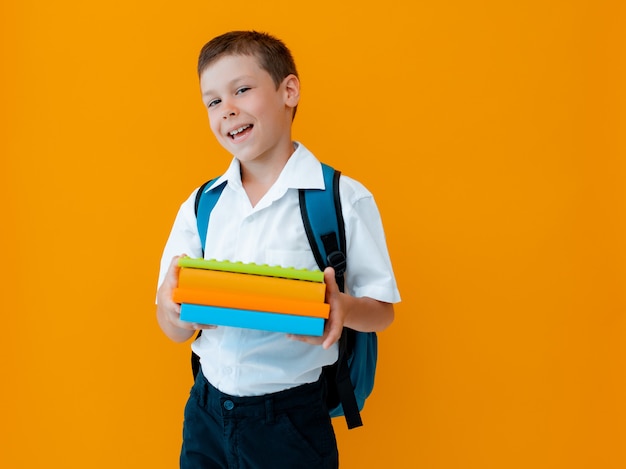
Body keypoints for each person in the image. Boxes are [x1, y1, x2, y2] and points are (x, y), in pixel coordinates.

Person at [156, 30, 401, 469]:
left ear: (289, 91)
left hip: (291, 421)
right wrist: (172, 313)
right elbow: (172, 326)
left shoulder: (342, 198)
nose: (226, 109)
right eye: (212, 101)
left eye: (242, 90)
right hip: (206, 413)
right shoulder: (202, 204)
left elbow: (382, 311)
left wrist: (339, 307)